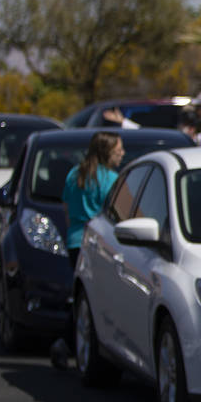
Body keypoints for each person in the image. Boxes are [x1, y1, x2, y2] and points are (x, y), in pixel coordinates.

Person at [49, 131, 125, 369]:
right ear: (106, 153)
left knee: (84, 297)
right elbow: (122, 216)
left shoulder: (74, 174)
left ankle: (66, 343)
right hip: (99, 246)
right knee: (96, 299)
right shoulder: (112, 180)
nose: (122, 153)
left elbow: (65, 208)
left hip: (75, 242)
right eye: (118, 150)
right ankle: (84, 346)